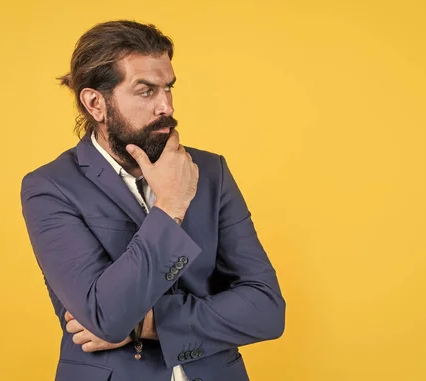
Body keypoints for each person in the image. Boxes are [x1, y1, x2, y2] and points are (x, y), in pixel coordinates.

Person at [20, 20, 285, 381]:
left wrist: (145, 325)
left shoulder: (210, 171)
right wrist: (171, 205)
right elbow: (107, 316)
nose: (166, 106)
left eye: (168, 88)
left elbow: (267, 310)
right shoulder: (51, 187)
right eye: (146, 91)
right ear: (96, 103)